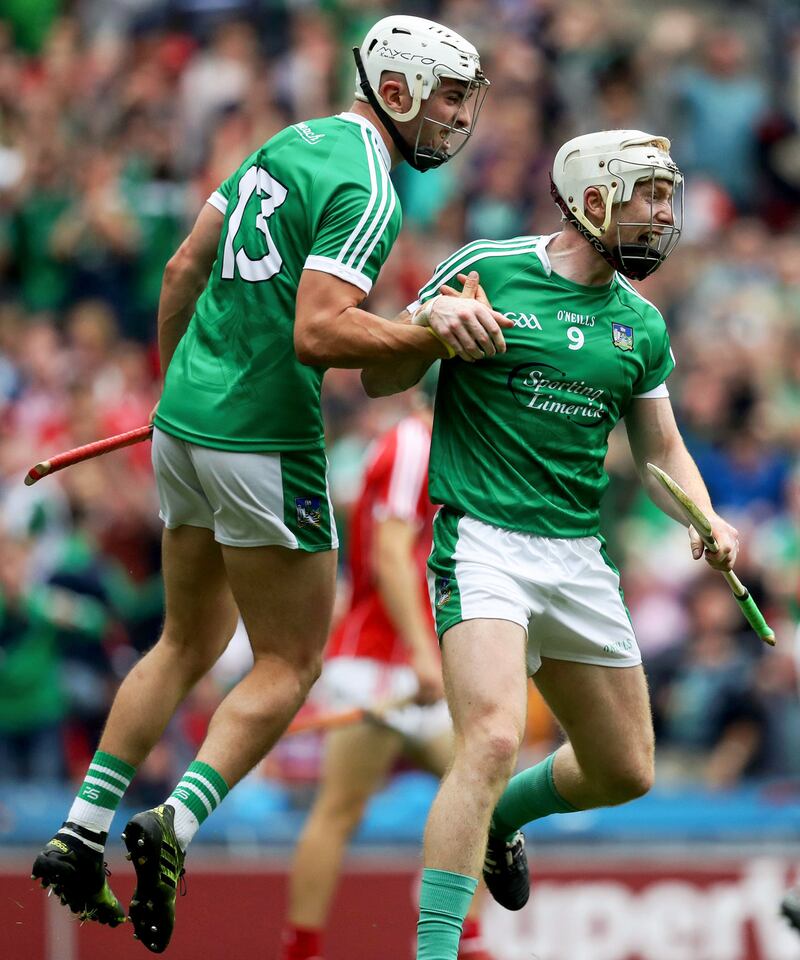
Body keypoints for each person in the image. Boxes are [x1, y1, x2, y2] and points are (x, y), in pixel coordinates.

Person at [31, 15, 508, 954]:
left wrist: (181, 393)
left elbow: (182, 268)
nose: (458, 116)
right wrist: (430, 327)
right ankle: (173, 823)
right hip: (264, 436)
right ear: (399, 90)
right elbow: (320, 333)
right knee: (290, 663)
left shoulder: (285, 144)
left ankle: (81, 831)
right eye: (449, 95)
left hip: (185, 422)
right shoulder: (370, 180)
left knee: (185, 638)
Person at [361, 129, 742, 960]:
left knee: (625, 769)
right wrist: (432, 323)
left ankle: (502, 817)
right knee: (493, 738)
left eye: (667, 197)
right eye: (649, 194)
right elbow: (378, 375)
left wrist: (704, 518)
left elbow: (662, 451)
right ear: (593, 198)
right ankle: (434, 952)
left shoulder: (639, 324)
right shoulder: (488, 267)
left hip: (575, 554)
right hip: (484, 542)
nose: (663, 214)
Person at [279, 378, 492, 960]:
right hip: (379, 663)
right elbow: (392, 557)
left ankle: (464, 939)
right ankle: (301, 949)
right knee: (340, 810)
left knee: (482, 798)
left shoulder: (433, 448)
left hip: (418, 665)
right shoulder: (413, 444)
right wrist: (424, 655)